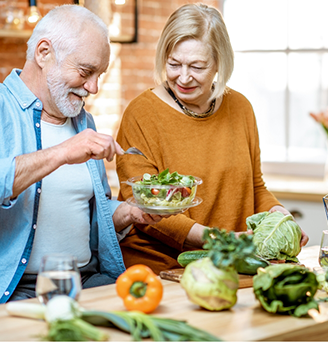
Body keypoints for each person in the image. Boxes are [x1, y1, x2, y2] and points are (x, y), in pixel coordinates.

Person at [116, 3, 309, 274]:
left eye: (197, 66)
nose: (183, 77)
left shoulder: (240, 108)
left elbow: (255, 187)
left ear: (219, 62)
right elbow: (142, 206)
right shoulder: (141, 113)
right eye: (173, 64)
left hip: (230, 264)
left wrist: (281, 218)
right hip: (161, 269)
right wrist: (218, 240)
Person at [0, 5, 165, 304]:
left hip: (88, 279)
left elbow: (89, 216)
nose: (94, 87)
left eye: (100, 74)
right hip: (18, 289)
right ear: (43, 52)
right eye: (86, 71)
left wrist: (129, 213)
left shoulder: (83, 122)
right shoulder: (2, 109)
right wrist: (63, 152)